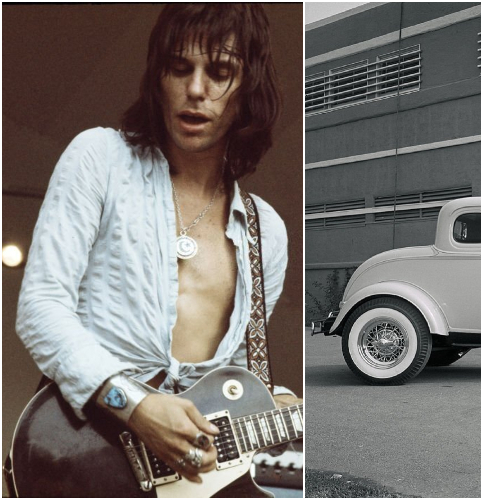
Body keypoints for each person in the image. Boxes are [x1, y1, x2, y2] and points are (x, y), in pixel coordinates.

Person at [15, 4, 300, 487]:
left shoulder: (265, 232)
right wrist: (137, 405)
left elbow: (232, 389)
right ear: (158, 76)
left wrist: (272, 407)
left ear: (248, 88)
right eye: (179, 67)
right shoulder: (100, 159)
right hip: (80, 452)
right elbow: (41, 307)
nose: (195, 89)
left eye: (221, 71)